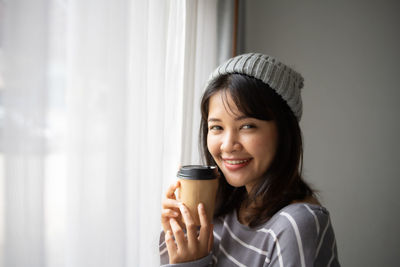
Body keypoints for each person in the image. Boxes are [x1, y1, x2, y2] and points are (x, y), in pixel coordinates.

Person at [159, 53, 340, 266]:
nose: (227, 145)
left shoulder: (296, 225)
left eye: (247, 126)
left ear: (284, 133)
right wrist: (180, 234)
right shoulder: (220, 204)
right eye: (216, 127)